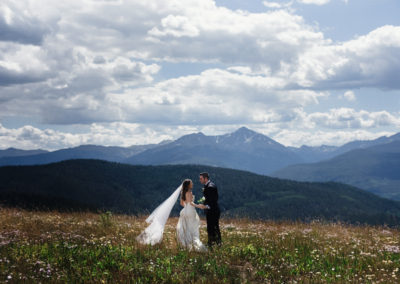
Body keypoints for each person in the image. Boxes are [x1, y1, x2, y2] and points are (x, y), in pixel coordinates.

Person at [176, 179, 207, 251]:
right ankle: (194, 244)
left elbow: (181, 203)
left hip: (185, 210)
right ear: (188, 185)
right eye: (191, 183)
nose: (192, 183)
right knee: (193, 228)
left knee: (187, 227)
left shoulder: (182, 192)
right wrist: (199, 206)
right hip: (190, 211)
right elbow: (191, 203)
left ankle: (187, 244)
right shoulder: (189, 192)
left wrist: (186, 208)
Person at [199, 172, 221, 247]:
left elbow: (213, 200)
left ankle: (216, 243)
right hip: (212, 210)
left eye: (201, 178)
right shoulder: (209, 185)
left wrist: (205, 206)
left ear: (206, 178)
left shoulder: (210, 187)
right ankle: (213, 243)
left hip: (213, 211)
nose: (200, 180)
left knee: (213, 227)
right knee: (211, 227)